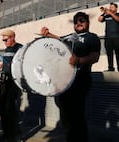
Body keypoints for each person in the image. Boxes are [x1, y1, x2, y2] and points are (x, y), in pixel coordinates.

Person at [40, 12, 100, 142]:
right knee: (65, 116)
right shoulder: (70, 37)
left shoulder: (92, 37)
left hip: (80, 80)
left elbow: (95, 57)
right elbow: (60, 39)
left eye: (82, 20)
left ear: (88, 23)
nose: (79, 23)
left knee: (77, 116)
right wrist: (47, 34)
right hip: (65, 83)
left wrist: (79, 60)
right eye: (76, 21)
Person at [0, 29, 23, 142]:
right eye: (3, 40)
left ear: (12, 37)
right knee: (3, 109)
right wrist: (2, 65)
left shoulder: (19, 48)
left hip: (13, 82)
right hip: (4, 81)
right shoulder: (7, 49)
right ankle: (6, 134)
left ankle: (16, 136)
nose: (4, 42)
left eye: (6, 40)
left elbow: (23, 62)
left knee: (11, 110)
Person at [98, 3, 119, 72]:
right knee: (109, 53)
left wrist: (110, 13)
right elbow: (99, 19)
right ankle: (110, 67)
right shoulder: (107, 16)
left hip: (117, 37)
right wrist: (104, 13)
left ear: (116, 8)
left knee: (118, 53)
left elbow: (118, 19)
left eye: (112, 7)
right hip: (108, 38)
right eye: (110, 7)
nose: (110, 8)